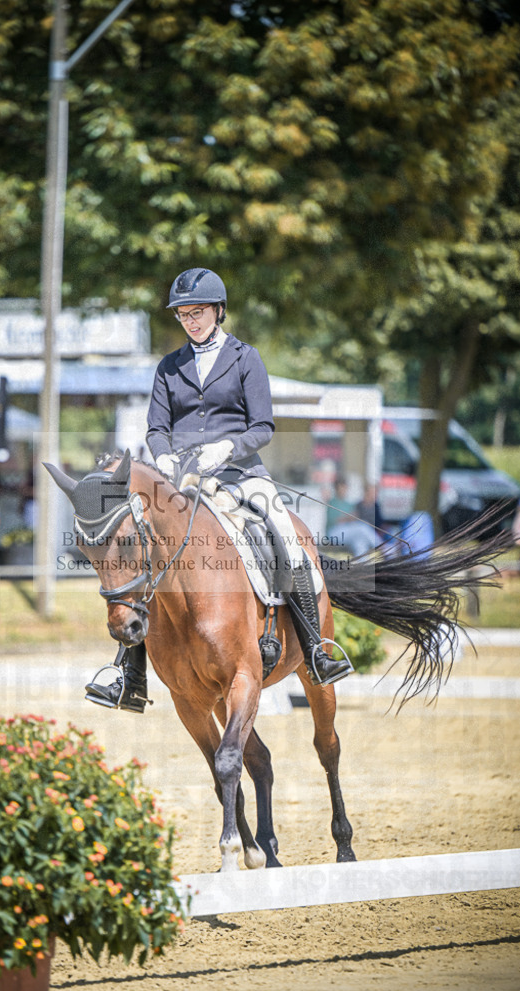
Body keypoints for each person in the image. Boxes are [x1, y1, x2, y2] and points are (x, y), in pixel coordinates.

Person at [86, 267, 351, 712]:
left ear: (218, 311)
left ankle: (317, 651)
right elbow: (156, 427)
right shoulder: (170, 367)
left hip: (239, 474)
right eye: (184, 315)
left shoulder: (246, 358)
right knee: (141, 554)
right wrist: (165, 456)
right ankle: (129, 675)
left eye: (198, 312)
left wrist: (225, 449)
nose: (190, 321)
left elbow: (263, 425)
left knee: (287, 538)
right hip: (181, 480)